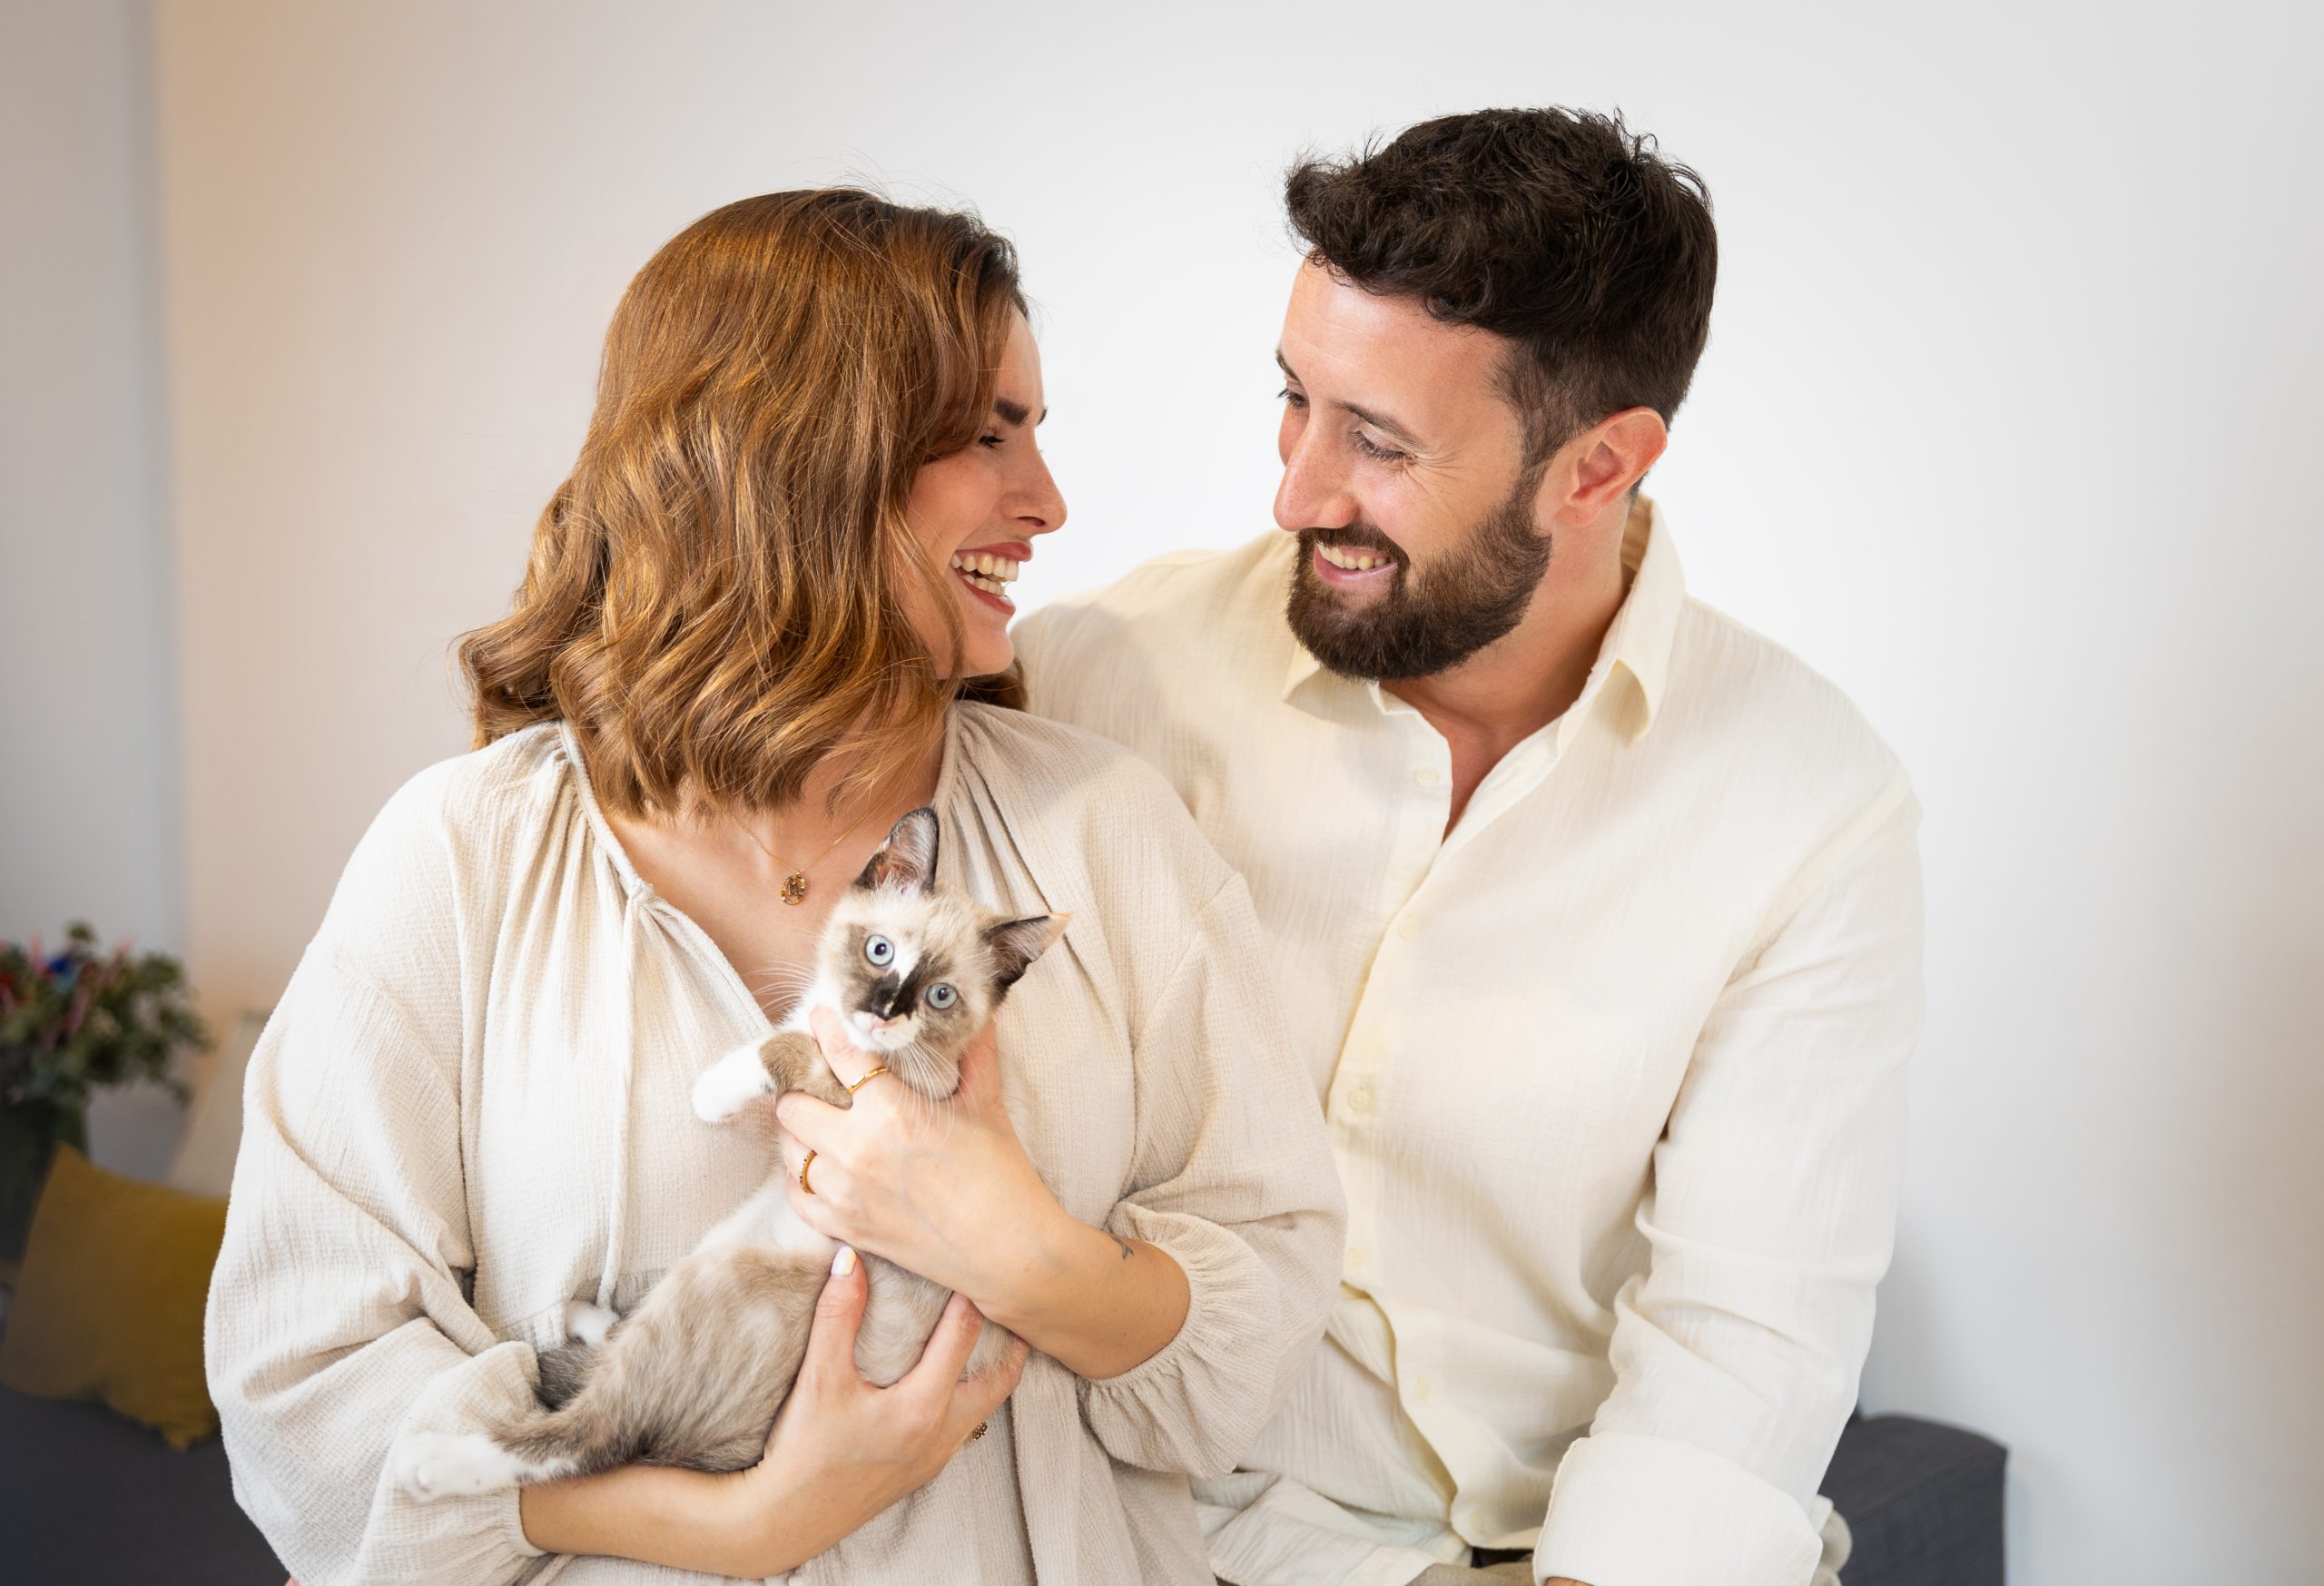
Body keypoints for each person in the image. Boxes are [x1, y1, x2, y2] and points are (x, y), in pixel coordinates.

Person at [204, 189, 1344, 1584]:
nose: (1048, 502)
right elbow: (303, 1379)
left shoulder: (1105, 830)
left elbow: (1262, 1300)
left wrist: (1022, 1251)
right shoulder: (462, 858)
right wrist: (747, 1523)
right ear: (796, 457)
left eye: (1036, 433)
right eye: (990, 435)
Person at [1014, 108, 1922, 1586]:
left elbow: (1743, 1339)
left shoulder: (1808, 803)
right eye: (1296, 401)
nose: (1297, 493)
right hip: (1128, 1527)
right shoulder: (1098, 678)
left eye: (1378, 441)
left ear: (1599, 467)